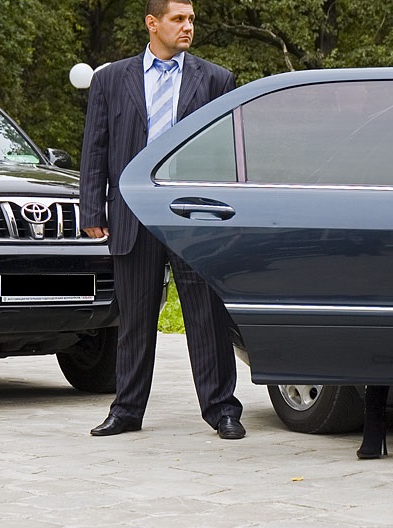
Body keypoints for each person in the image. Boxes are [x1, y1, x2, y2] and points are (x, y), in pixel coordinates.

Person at [80, 0, 246, 440]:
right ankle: (126, 410)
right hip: (134, 212)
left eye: (191, 19)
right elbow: (95, 146)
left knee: (207, 317)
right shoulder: (110, 79)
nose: (188, 26)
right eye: (178, 19)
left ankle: (222, 410)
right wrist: (92, 208)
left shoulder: (216, 79)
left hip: (194, 215)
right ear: (152, 24)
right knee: (135, 319)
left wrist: (227, 214)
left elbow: (228, 153)